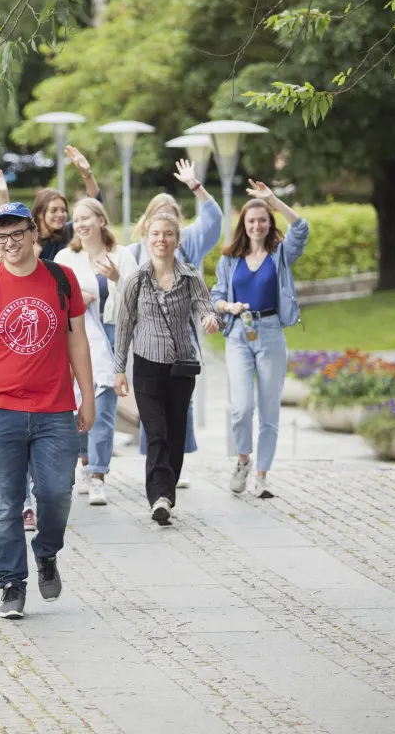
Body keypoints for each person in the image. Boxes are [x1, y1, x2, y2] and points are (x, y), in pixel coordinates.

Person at [0, 202, 95, 620]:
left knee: (56, 493)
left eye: (17, 233)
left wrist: (87, 397)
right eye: (1, 236)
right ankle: (12, 583)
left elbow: (78, 344)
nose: (10, 243)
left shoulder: (60, 278)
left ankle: (47, 553)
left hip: (55, 408)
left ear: (34, 234)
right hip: (0, 411)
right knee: (4, 503)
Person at [114, 212, 221, 523]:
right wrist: (119, 369)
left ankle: (166, 490)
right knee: (156, 433)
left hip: (180, 369)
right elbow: (124, 325)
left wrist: (209, 318)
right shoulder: (136, 279)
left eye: (168, 234)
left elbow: (204, 304)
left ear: (177, 240)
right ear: (147, 239)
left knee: (176, 434)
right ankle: (160, 497)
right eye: (156, 234)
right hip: (146, 366)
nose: (161, 240)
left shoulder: (190, 276)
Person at [126, 160, 223, 486]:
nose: (164, 230)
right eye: (158, 215)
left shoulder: (188, 246)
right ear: (147, 223)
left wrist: (196, 185)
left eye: (172, 215)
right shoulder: (136, 252)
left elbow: (214, 220)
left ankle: (170, 465)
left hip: (181, 344)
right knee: (152, 414)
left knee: (178, 409)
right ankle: (158, 469)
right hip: (145, 344)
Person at [211, 180, 310, 500]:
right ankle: (243, 460)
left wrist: (273, 200)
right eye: (251, 221)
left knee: (269, 411)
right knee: (241, 408)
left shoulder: (280, 255)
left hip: (269, 333)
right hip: (239, 334)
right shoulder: (229, 260)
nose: (257, 225)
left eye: (262, 220)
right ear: (244, 225)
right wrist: (228, 306)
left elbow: (302, 228)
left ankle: (263, 476)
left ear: (269, 224)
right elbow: (216, 296)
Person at [55, 198, 137, 505]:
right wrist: (79, 298)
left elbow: (139, 294)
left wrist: (116, 279)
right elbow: (55, 297)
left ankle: (99, 475)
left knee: (103, 408)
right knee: (75, 405)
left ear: (101, 220)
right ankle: (85, 462)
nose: (81, 224)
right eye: (76, 219)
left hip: (112, 336)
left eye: (86, 217)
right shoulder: (66, 256)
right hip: (76, 339)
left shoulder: (121, 255)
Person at [0, 148, 100, 261]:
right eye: (54, 210)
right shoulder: (27, 239)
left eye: (63, 210)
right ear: (39, 213)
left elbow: (93, 206)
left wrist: (87, 174)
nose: (60, 214)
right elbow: (8, 222)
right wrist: (3, 193)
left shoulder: (68, 232)